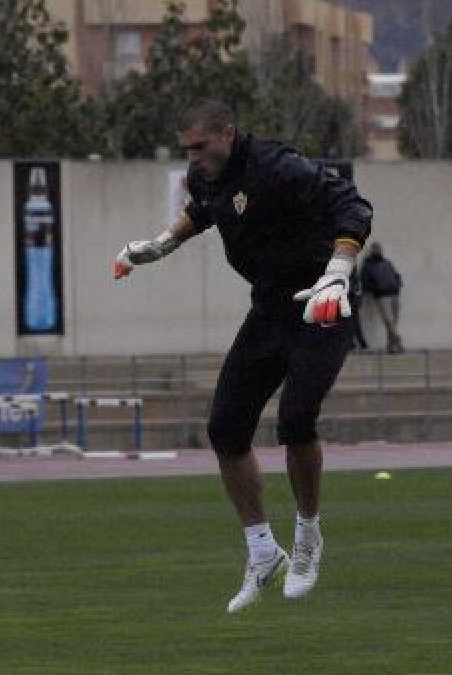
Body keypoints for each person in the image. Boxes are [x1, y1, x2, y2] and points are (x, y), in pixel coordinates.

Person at [113, 99, 373, 613]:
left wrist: (340, 267)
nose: (194, 157)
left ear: (228, 134)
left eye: (201, 146)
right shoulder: (204, 173)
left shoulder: (278, 166)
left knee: (296, 420)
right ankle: (262, 551)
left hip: (322, 299)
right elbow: (203, 208)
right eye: (187, 149)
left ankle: (307, 538)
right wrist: (163, 243)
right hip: (270, 307)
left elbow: (354, 205)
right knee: (226, 428)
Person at [359, 242, 404, 353]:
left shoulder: (387, 262)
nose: (378, 250)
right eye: (375, 248)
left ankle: (391, 346)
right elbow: (364, 281)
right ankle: (397, 339)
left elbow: (395, 274)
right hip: (381, 295)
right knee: (388, 320)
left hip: (394, 293)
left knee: (393, 321)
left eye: (379, 248)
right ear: (372, 250)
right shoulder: (367, 265)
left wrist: (398, 283)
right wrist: (374, 288)